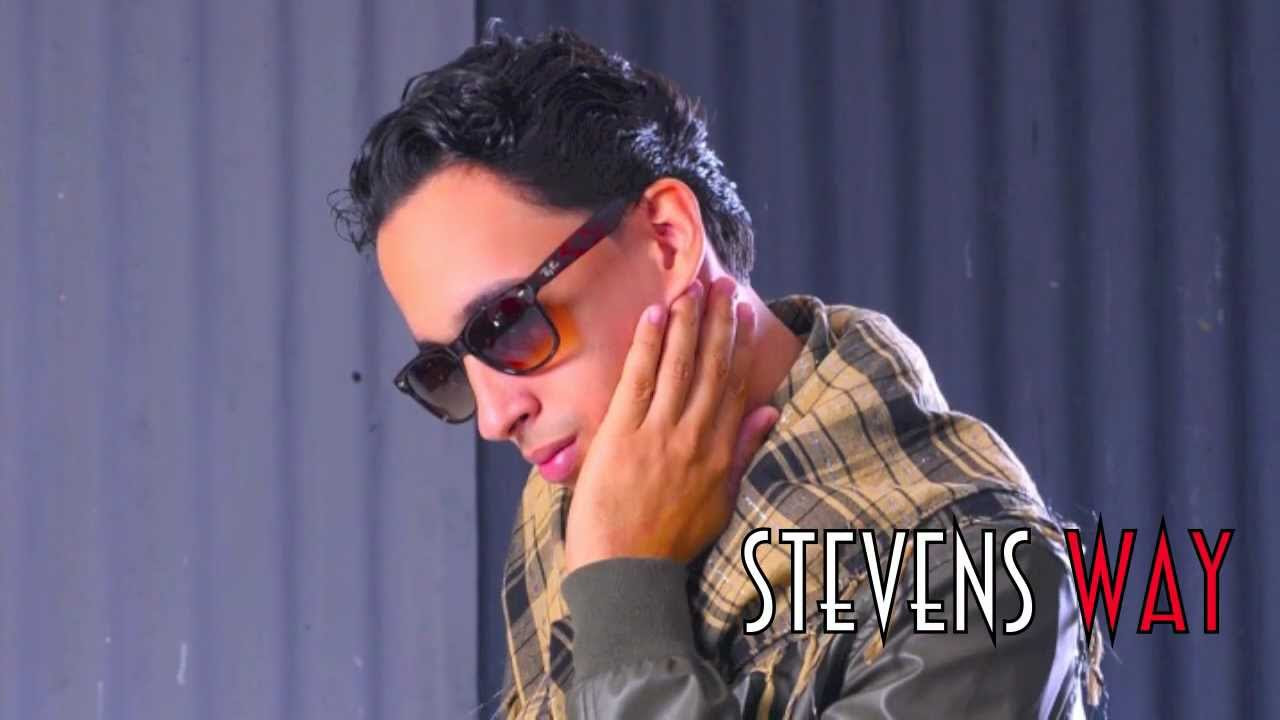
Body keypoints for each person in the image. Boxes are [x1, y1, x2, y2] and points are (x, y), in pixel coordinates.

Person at [331, 22, 1104, 720]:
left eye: (506, 325)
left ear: (667, 239)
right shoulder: (577, 497)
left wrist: (625, 596)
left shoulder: (980, 579)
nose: (498, 417)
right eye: (447, 367)